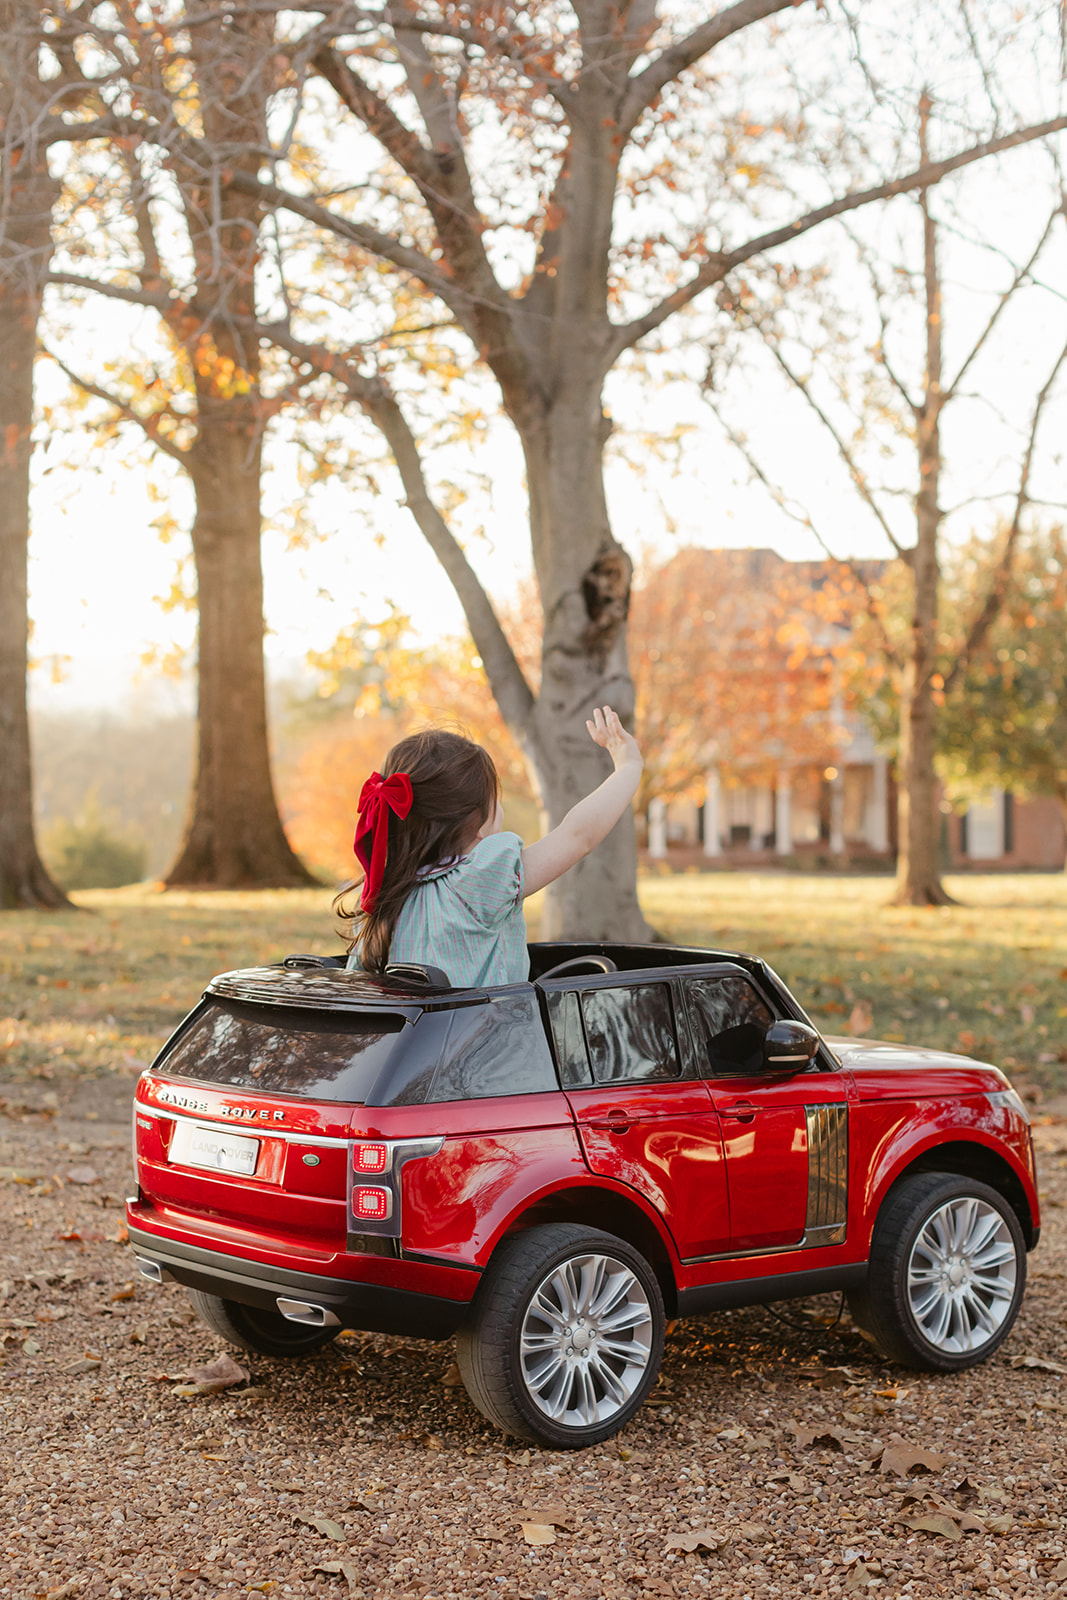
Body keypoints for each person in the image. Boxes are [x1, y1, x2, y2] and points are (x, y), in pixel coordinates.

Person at [337, 706, 643, 986]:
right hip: (489, 1045)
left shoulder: (381, 898)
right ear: (480, 823)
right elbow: (578, 835)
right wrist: (628, 767)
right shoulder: (480, 880)